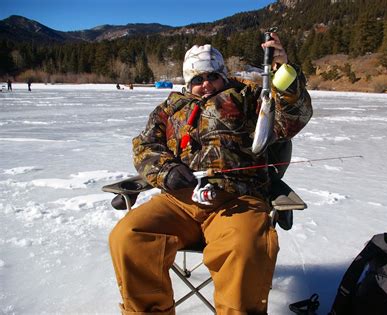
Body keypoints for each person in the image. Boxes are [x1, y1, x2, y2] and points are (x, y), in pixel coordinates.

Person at [109, 32, 313, 315]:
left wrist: (284, 76)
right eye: (196, 79)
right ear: (186, 82)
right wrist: (166, 170)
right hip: (179, 201)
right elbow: (144, 145)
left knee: (244, 247)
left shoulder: (248, 97)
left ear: (223, 75)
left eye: (212, 77)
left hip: (238, 199)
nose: (205, 85)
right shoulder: (170, 108)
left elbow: (291, 120)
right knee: (128, 235)